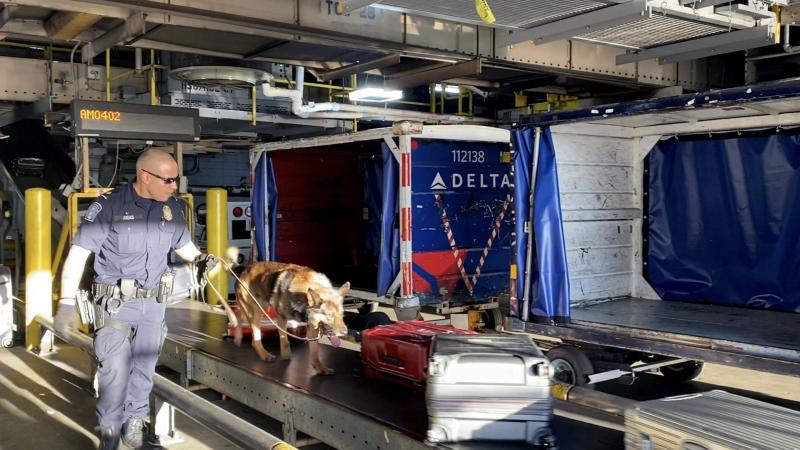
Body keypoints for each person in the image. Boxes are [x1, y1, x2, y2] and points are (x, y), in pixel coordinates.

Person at [54, 148, 216, 449]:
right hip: (116, 305)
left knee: (144, 370)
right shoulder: (109, 206)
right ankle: (110, 434)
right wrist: (65, 303)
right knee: (115, 373)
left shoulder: (172, 208)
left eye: (176, 179)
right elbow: (78, 255)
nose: (174, 186)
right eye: (168, 180)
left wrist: (202, 259)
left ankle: (135, 427)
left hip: (153, 306)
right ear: (145, 176)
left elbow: (185, 247)